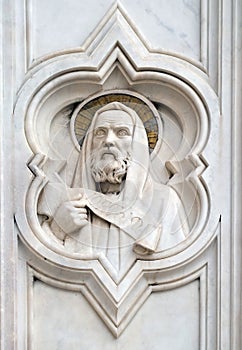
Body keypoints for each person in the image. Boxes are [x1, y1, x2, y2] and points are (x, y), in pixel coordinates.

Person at [39, 102, 188, 277]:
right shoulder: (71, 202)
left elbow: (176, 270)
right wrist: (58, 229)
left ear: (137, 144)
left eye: (122, 133)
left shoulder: (163, 201)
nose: (108, 141)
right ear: (89, 145)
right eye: (100, 132)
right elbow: (39, 265)